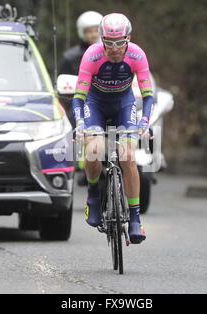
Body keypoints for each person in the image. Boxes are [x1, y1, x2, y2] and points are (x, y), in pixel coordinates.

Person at [72, 13, 154, 244]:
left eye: (120, 43)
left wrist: (145, 122)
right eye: (109, 42)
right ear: (101, 39)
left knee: (128, 156)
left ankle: (136, 219)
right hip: (95, 104)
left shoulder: (137, 55)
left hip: (123, 104)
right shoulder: (92, 55)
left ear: (129, 38)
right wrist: (79, 124)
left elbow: (148, 96)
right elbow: (79, 98)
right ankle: (94, 197)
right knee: (94, 149)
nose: (115, 48)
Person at [58, 11, 103, 76]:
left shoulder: (110, 54)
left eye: (97, 30)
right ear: (82, 33)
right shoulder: (70, 57)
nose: (94, 35)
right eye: (89, 32)